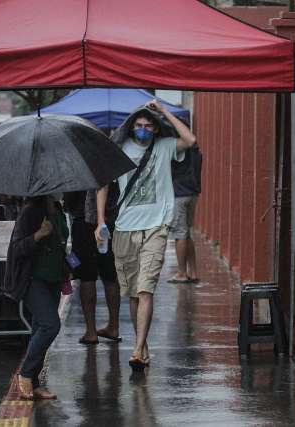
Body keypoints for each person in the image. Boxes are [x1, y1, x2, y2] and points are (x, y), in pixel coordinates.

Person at [95, 99, 196, 371]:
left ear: (155, 129)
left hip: (156, 227)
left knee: (146, 288)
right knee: (133, 294)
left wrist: (163, 111)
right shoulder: (119, 149)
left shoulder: (164, 147)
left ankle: (138, 348)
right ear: (131, 127)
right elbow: (103, 185)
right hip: (125, 228)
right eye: (138, 125)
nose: (142, 130)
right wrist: (100, 221)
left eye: (148, 126)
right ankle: (142, 345)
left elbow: (190, 138)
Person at [5, 194, 68, 400]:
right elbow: (16, 249)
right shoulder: (30, 211)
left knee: (39, 328)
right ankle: (25, 373)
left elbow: (61, 242)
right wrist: (38, 235)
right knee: (51, 325)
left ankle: (34, 381)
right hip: (32, 279)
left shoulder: (58, 210)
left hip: (54, 278)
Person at [64, 189, 120, 345]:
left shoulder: (76, 165)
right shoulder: (104, 164)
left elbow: (70, 199)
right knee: (110, 274)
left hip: (83, 221)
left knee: (87, 277)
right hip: (108, 221)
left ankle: (91, 331)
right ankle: (114, 326)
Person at [168, 143, 202, 283]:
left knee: (179, 234)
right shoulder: (195, 151)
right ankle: (193, 272)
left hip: (179, 194)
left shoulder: (177, 149)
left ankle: (181, 273)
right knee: (186, 233)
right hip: (192, 193)